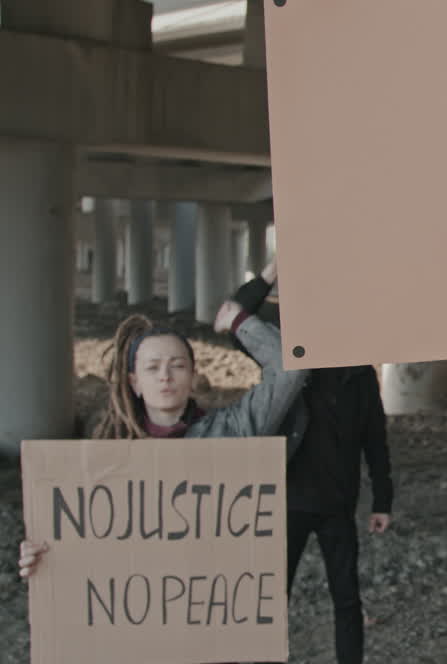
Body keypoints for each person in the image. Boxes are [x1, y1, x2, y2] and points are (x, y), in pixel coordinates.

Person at [17, 278, 308, 576]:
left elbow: (291, 369)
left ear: (193, 376)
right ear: (135, 382)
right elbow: (89, 542)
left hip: (209, 597)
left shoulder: (232, 430)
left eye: (177, 366)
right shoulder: (107, 453)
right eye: (152, 367)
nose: (165, 376)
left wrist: (240, 322)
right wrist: (44, 557)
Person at [229, 264, 393, 664]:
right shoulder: (285, 366)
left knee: (346, 599)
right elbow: (235, 315)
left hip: (337, 505)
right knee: (272, 597)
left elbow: (375, 440)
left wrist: (382, 500)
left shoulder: (360, 375)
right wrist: (272, 272)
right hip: (289, 503)